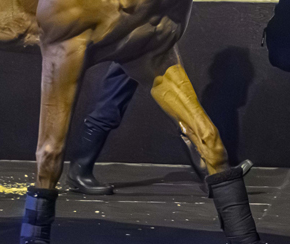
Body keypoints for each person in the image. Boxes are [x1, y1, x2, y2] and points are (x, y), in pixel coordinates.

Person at [66, 64, 206, 195]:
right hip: (139, 44)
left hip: (150, 43)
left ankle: (209, 171)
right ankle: (79, 171)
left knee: (114, 97)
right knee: (112, 100)